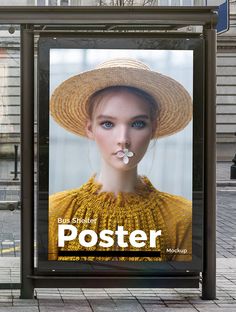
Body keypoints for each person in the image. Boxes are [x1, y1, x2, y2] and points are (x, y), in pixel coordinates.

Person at [48, 58, 192, 262]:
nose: (123, 140)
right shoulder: (57, 211)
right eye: (107, 124)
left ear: (153, 129)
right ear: (90, 129)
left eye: (138, 123)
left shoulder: (181, 216)